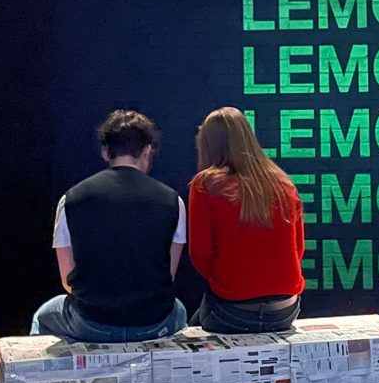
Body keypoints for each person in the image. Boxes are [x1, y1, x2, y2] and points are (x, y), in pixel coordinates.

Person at [30, 110, 188, 342]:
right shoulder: (174, 201)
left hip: (91, 322)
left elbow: (68, 281)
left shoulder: (71, 199)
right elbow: (168, 277)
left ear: (106, 151)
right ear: (147, 151)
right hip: (153, 322)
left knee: (43, 316)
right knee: (179, 309)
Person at [187, 107, 304, 333]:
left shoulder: (206, 184)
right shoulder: (283, 183)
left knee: (191, 325)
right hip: (285, 310)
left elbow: (200, 254)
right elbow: (297, 250)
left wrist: (230, 280)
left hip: (233, 310)